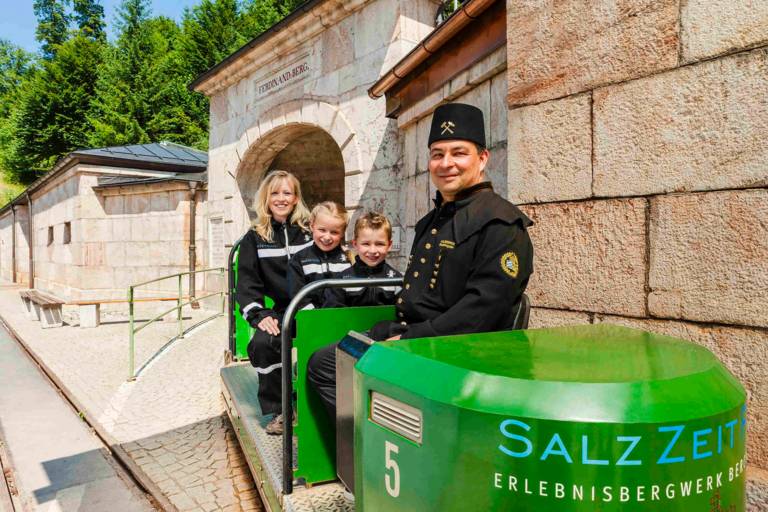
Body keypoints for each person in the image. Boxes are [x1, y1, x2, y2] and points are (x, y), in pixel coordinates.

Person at [307, 102, 534, 416]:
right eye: (437, 154)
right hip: (414, 338)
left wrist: (409, 338)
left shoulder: (501, 223)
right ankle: (371, 447)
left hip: (452, 351)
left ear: (482, 159)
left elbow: (482, 311)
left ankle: (378, 449)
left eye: (459, 153)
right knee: (324, 361)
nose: (446, 163)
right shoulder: (431, 221)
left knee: (328, 368)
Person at [235, 170, 312, 433]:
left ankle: (317, 407)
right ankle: (281, 411)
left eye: (287, 193)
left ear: (296, 198)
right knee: (262, 344)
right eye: (275, 193)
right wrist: (260, 315)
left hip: (315, 308)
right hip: (282, 311)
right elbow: (246, 285)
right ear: (266, 199)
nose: (281, 198)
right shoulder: (255, 238)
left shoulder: (311, 230)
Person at [322, 211, 403, 308]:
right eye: (366, 244)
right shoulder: (341, 281)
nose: (373, 251)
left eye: (379, 244)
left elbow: (404, 314)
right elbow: (333, 315)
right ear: (355, 244)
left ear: (389, 245)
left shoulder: (397, 281)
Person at [287, 201, 353, 313]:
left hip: (342, 318)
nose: (327, 237)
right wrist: (314, 316)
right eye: (322, 230)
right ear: (312, 226)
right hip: (310, 318)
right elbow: (296, 293)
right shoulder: (299, 260)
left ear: (342, 233)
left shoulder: (349, 259)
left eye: (334, 232)